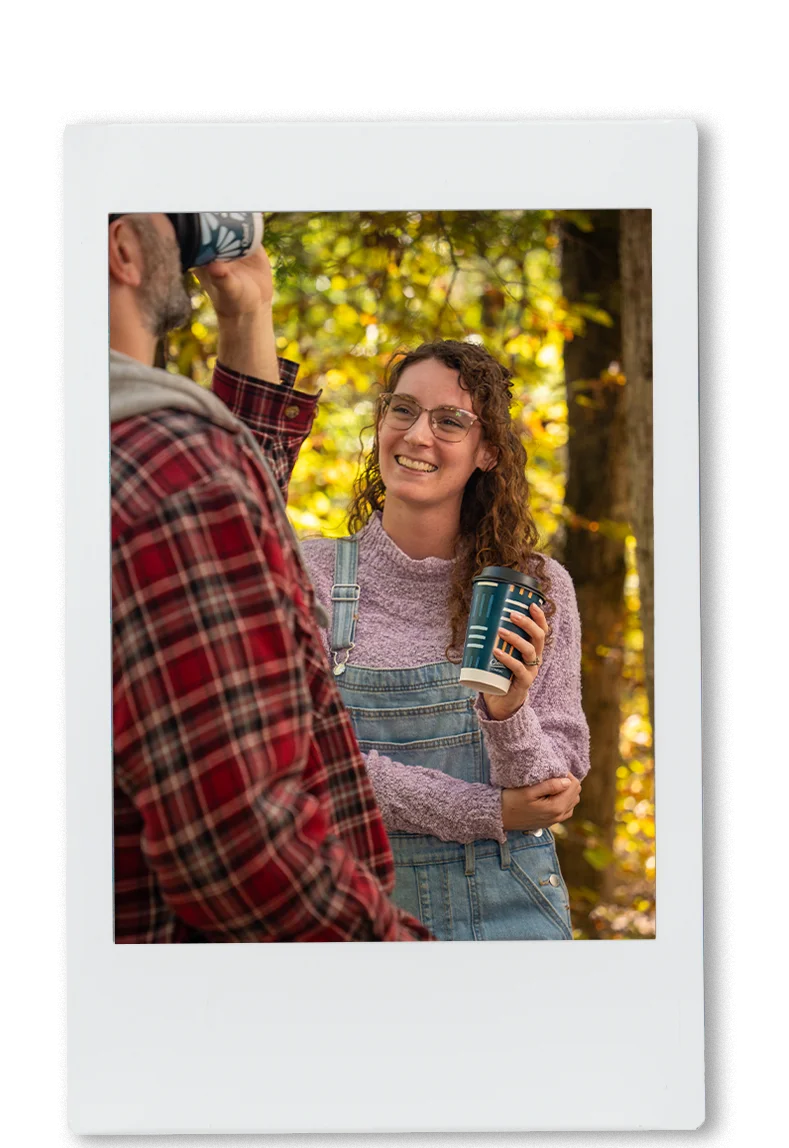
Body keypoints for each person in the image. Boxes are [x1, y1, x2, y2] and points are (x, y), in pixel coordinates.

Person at [109, 212, 433, 942]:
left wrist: (247, 311)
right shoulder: (177, 478)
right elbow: (236, 845)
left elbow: (216, 545)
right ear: (123, 248)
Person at [300, 339, 591, 940]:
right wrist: (481, 811)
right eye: (402, 409)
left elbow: (547, 797)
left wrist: (507, 710)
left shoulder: (535, 586)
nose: (417, 435)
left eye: (449, 421)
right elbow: (301, 762)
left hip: (511, 911)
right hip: (348, 914)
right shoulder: (309, 574)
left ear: (486, 452)